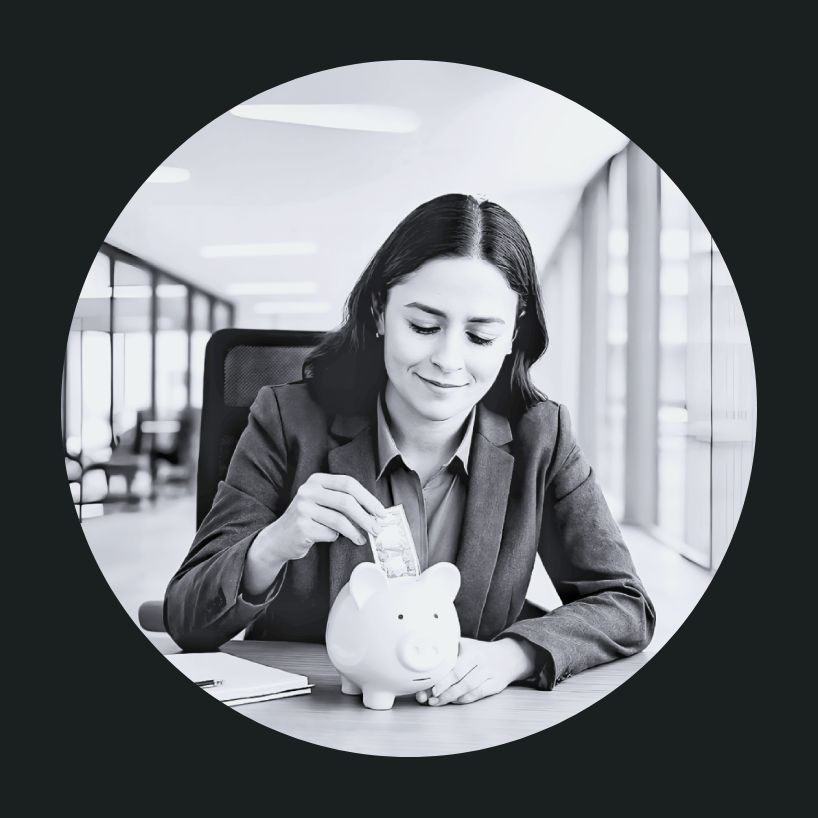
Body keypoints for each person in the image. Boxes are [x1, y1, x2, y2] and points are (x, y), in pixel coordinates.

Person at [165, 193, 655, 706]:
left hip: (464, 727)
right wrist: (273, 543)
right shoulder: (288, 422)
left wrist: (514, 655)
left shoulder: (541, 437)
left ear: (513, 334)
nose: (448, 359)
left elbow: (625, 603)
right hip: (313, 715)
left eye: (481, 336)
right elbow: (185, 617)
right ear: (379, 311)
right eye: (423, 327)